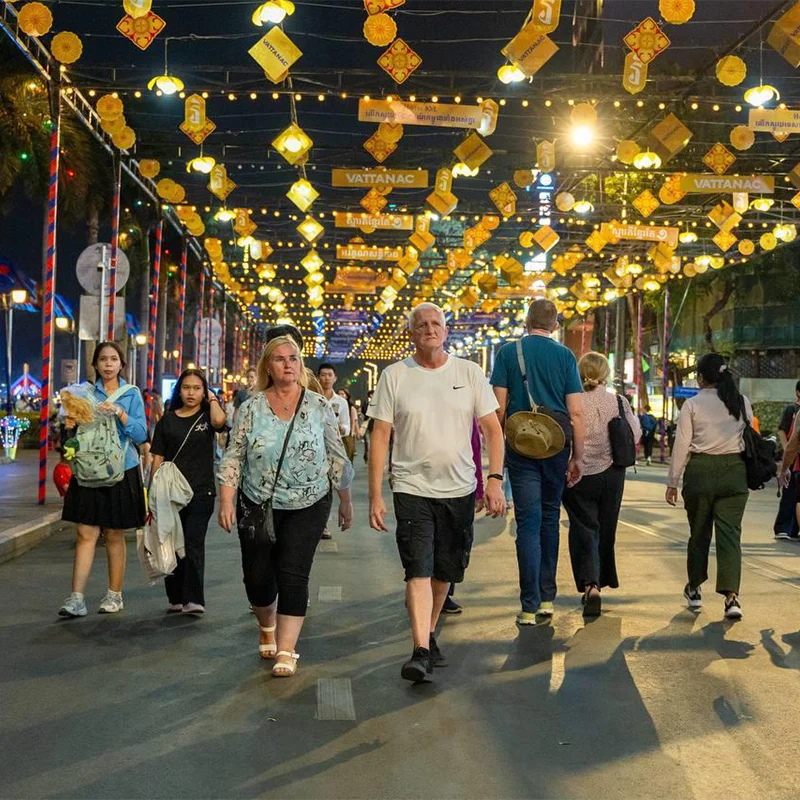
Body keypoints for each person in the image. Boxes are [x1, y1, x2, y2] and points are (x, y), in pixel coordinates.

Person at [368, 302, 506, 684]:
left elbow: (493, 431)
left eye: (436, 324)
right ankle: (420, 650)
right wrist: (376, 494)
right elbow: (380, 436)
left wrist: (494, 480)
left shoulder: (469, 372)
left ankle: (428, 632)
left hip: (459, 489)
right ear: (411, 333)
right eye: (422, 325)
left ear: (446, 331)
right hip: (411, 486)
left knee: (445, 572)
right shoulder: (395, 376)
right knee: (418, 568)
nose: (430, 329)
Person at [218, 334, 353, 677]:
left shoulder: (318, 406)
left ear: (300, 365)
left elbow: (336, 455)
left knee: (294, 573)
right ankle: (267, 626)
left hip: (309, 502)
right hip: (257, 501)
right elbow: (233, 456)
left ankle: (287, 649)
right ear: (268, 366)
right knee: (257, 577)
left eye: (293, 358)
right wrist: (227, 500)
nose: (288, 364)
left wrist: (345, 501)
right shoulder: (251, 408)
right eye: (279, 359)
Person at [491, 298, 585, 625]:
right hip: (556, 446)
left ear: (526, 322)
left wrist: (496, 453)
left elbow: (499, 409)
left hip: (521, 447)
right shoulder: (565, 356)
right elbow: (576, 412)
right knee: (549, 519)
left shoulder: (507, 353)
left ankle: (528, 606)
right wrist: (578, 456)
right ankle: (547, 599)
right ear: (555, 325)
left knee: (527, 524)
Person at [59, 342, 148, 617]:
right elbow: (72, 433)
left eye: (113, 359)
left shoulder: (131, 393)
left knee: (113, 533)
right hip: (89, 468)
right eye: (103, 359)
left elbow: (141, 434)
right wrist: (69, 425)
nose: (108, 364)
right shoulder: (82, 393)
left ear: (121, 364)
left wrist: (120, 413)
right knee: (85, 532)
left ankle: (114, 595)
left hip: (121, 468)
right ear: (96, 364)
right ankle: (76, 598)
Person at [666, 353, 752, 620]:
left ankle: (694, 588)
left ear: (701, 377)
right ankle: (731, 598)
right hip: (734, 473)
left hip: (700, 472)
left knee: (699, 533)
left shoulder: (692, 405)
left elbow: (682, 445)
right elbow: (749, 435)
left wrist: (673, 482)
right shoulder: (741, 401)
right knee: (730, 536)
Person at [562, 353, 641, 617]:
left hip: (578, 472)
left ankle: (590, 584)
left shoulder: (571, 400)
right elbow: (635, 433)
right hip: (612, 474)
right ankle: (601, 580)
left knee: (584, 529)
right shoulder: (618, 401)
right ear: (605, 374)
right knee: (606, 529)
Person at [150, 369, 227, 614]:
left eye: (196, 388)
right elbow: (157, 457)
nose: (191, 393)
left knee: (193, 542)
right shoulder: (167, 420)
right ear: (179, 391)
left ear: (204, 391)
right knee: (171, 543)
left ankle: (194, 599)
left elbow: (220, 422)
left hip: (201, 492)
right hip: (170, 494)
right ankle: (176, 597)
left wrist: (213, 399)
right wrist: (152, 493)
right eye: (186, 387)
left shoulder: (206, 417)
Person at [318, 363, 350, 539]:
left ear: (335, 378)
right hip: (315, 449)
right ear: (318, 377)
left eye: (329, 375)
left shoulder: (341, 402)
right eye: (323, 375)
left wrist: (341, 428)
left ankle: (323, 523)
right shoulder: (312, 398)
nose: (326, 378)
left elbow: (348, 427)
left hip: (333, 449)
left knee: (329, 487)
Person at [774, 380, 800, 540]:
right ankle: (782, 527)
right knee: (790, 493)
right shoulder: (792, 410)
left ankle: (794, 529)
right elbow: (782, 431)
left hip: (795, 453)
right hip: (793, 454)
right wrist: (786, 449)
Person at [337, 387, 359, 463]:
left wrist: (352, 432)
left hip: (348, 434)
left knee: (348, 453)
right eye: (338, 394)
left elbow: (353, 420)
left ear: (347, 396)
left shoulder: (351, 408)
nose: (340, 395)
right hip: (337, 433)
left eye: (342, 394)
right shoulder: (335, 405)